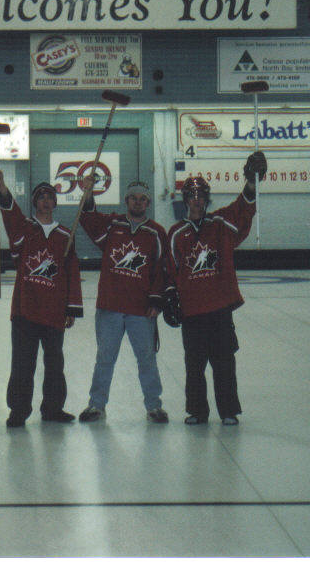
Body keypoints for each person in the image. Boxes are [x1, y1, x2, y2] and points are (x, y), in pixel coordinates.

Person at [165, 151, 267, 426]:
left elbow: (243, 209)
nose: (196, 201)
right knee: (194, 365)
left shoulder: (220, 224)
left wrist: (252, 183)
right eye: (191, 197)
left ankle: (228, 411)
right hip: (193, 311)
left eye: (201, 197)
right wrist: (169, 296)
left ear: (206, 200)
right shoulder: (176, 233)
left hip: (219, 308)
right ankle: (197, 411)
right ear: (185, 200)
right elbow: (171, 271)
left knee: (224, 362)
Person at [0, 168, 83, 427]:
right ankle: (18, 410)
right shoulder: (24, 229)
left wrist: (71, 309)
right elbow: (9, 213)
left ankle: (53, 408)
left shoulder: (65, 234)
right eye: (40, 197)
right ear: (35, 202)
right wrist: (1, 187)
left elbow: (71, 272)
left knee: (54, 364)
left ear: (54, 202)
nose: (45, 201)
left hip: (54, 311)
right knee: (22, 363)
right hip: (25, 310)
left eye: (49, 197)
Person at [76, 176, 170, 423]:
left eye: (142, 199)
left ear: (147, 202)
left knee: (146, 358)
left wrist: (156, 301)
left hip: (141, 309)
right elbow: (89, 219)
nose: (137, 202)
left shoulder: (156, 232)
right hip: (110, 306)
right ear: (127, 200)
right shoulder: (113, 225)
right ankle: (96, 405)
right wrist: (88, 193)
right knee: (105, 357)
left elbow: (161, 269)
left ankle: (154, 406)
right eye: (133, 198)